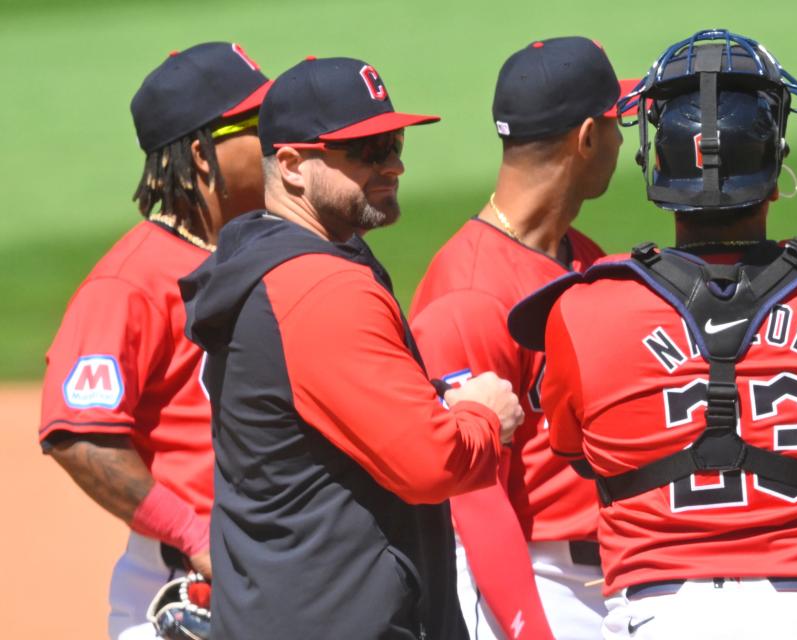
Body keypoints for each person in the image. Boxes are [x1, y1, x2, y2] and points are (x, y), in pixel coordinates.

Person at [508, 29, 797, 640]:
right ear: (775, 167)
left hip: (657, 614)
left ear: (658, 169)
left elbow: (575, 453)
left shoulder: (582, 313)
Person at [178, 56, 524, 640]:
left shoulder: (274, 264)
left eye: (392, 141)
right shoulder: (319, 288)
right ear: (291, 165)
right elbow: (429, 463)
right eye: (366, 151)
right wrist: (483, 416)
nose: (395, 164)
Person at [38, 42, 271, 639]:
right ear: (200, 153)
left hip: (280, 574)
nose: (280, 137)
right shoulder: (129, 283)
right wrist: (194, 536)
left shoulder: (271, 251)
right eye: (257, 123)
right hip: (185, 588)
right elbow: (80, 438)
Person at [409, 36, 635, 639]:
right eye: (617, 125)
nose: (623, 142)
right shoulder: (469, 296)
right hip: (533, 583)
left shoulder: (582, 258)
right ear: (586, 137)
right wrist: (529, 629)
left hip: (610, 579)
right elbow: (473, 493)